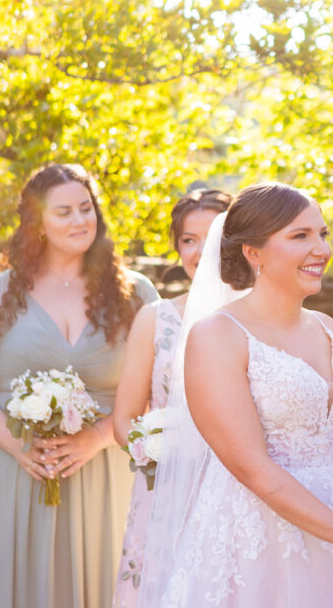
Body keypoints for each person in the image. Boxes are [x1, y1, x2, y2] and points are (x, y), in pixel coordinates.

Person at [141, 182, 333, 607]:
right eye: (300, 236)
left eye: (322, 233)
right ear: (254, 252)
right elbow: (252, 467)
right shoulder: (217, 336)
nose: (320, 248)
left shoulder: (330, 329)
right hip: (258, 538)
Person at [0, 163, 159, 608]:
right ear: (36, 223)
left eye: (86, 208)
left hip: (103, 468)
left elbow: (163, 389)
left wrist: (96, 439)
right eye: (64, 212)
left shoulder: (135, 295)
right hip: (12, 468)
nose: (80, 220)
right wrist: (17, 445)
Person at [112, 188, 231, 606]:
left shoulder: (263, 317)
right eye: (188, 240)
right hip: (163, 493)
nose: (202, 250)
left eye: (214, 235)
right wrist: (155, 448)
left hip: (238, 491)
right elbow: (123, 420)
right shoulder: (156, 319)